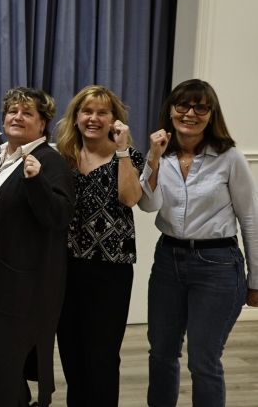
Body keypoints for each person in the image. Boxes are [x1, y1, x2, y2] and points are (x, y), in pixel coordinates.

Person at [140, 79, 258, 406]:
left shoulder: (229, 157)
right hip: (168, 261)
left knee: (203, 360)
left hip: (217, 266)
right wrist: (152, 158)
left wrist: (256, 280)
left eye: (200, 107)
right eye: (183, 105)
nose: (190, 113)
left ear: (211, 114)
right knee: (161, 352)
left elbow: (250, 219)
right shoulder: (161, 154)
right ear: (171, 110)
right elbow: (148, 205)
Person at [0, 87, 74, 406]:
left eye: (27, 113)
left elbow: (59, 216)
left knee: (5, 369)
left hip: (20, 286)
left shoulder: (50, 161)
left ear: (43, 123)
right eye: (12, 111)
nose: (17, 117)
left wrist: (36, 182)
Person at [53, 85, 144, 406]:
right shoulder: (61, 156)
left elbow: (131, 198)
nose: (94, 118)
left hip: (110, 271)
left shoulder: (129, 156)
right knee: (71, 351)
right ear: (76, 117)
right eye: (87, 111)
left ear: (114, 120)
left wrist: (121, 150)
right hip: (66, 268)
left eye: (102, 112)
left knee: (102, 355)